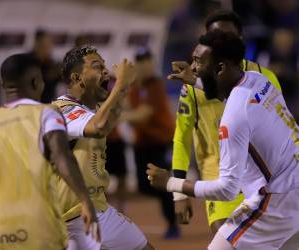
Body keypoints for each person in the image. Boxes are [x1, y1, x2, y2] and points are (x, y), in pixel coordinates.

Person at [147, 31, 299, 250]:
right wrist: (197, 81)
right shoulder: (259, 80)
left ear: (220, 68)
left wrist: (171, 184)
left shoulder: (233, 120)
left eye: (198, 62)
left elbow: (227, 189)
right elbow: (234, 95)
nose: (192, 68)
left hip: (277, 202)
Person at [169, 9, 282, 235]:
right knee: (226, 241)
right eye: (213, 39)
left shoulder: (264, 77)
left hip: (264, 179)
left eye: (226, 38)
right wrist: (179, 194)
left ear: (239, 41)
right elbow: (181, 138)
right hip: (219, 180)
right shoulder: (191, 87)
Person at [53, 45, 154, 250]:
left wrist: (120, 88)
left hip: (99, 208)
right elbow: (98, 128)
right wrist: (122, 85)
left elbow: (106, 122)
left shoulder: (92, 110)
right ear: (77, 78)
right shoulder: (63, 110)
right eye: (97, 66)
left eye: (105, 66)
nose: (106, 71)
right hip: (74, 218)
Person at [0, 53, 99, 250]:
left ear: (4, 86)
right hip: (40, 225)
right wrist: (86, 201)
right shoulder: (46, 114)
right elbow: (63, 158)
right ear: (37, 82)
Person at [128, 48, 179, 239]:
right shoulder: (134, 86)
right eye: (141, 61)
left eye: (148, 60)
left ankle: (172, 223)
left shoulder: (155, 85)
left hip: (161, 142)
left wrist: (117, 118)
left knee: (162, 183)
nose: (145, 65)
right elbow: (127, 107)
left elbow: (143, 114)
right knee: (143, 186)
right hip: (142, 143)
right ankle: (174, 198)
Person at [29, 29, 61, 103]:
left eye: (50, 44)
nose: (49, 47)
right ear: (38, 44)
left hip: (48, 105)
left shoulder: (51, 63)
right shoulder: (28, 62)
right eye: (46, 44)